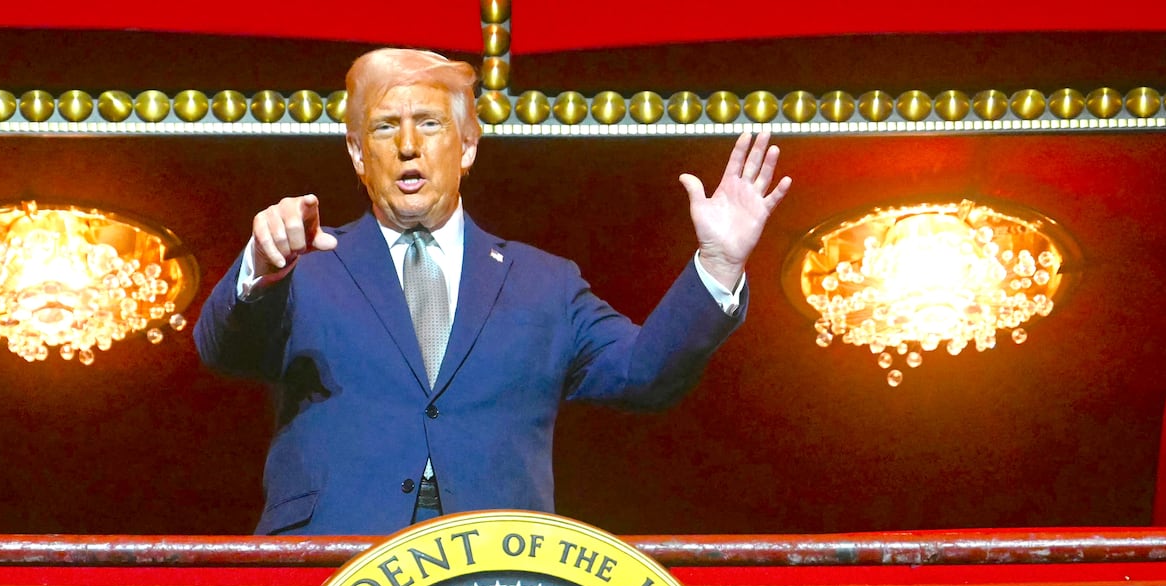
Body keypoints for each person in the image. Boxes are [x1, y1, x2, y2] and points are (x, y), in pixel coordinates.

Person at [195, 48, 791, 536]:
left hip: (495, 571)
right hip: (335, 565)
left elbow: (645, 373)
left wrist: (718, 263)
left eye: (429, 123)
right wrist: (259, 269)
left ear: (468, 146)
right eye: (384, 126)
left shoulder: (545, 283)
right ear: (357, 153)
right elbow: (223, 350)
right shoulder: (303, 264)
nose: (408, 145)